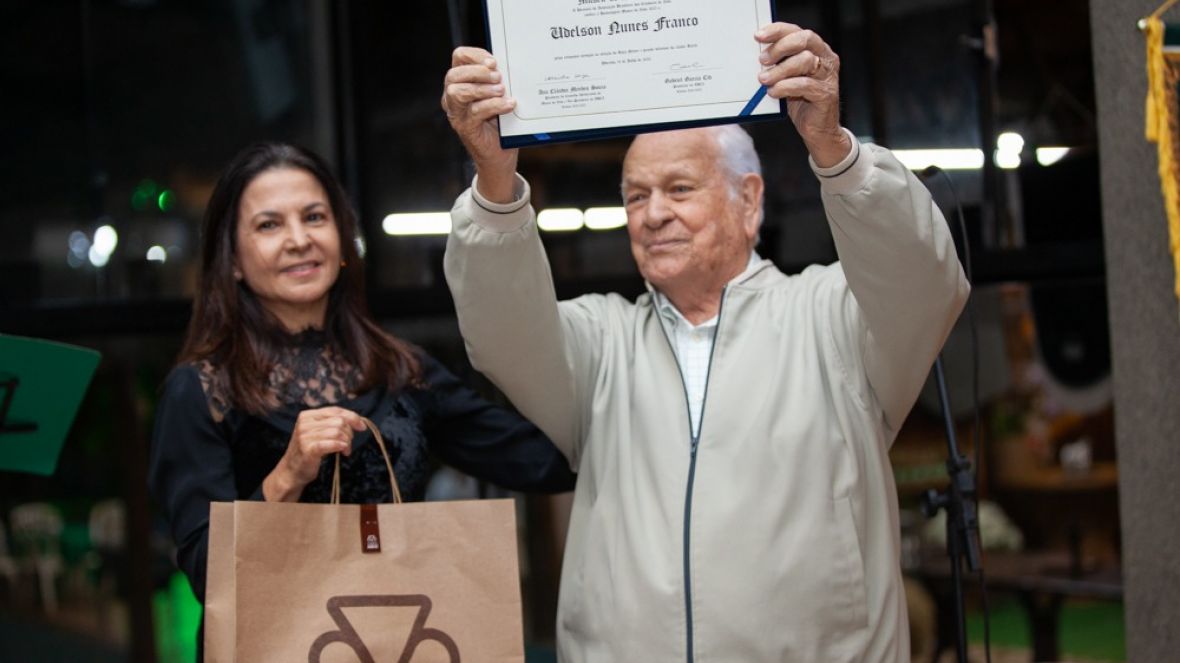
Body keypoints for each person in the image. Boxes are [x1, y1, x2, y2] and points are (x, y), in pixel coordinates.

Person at [441, 21, 969, 662]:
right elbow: (501, 330)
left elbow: (922, 282)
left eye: (679, 189)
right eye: (635, 196)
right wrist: (495, 185)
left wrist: (835, 151)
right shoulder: (604, 344)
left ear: (748, 201)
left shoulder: (832, 319)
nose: (653, 213)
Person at [148, 143, 577, 619]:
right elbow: (209, 576)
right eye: (269, 225)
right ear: (231, 260)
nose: (298, 239)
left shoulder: (400, 368)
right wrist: (287, 476)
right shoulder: (203, 390)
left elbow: (541, 460)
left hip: (403, 638)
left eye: (314, 217)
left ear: (342, 238)